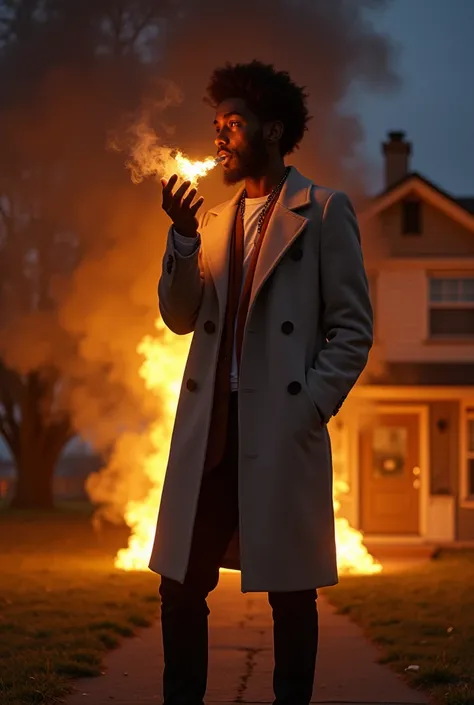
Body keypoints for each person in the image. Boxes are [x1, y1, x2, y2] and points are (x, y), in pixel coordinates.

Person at [149, 59, 373, 705]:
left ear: (272, 131)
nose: (220, 137)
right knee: (180, 584)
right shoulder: (212, 221)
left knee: (291, 591)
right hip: (212, 427)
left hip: (281, 423)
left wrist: (313, 404)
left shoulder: (325, 211)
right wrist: (183, 239)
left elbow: (352, 327)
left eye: (234, 124)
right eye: (216, 125)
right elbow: (179, 317)